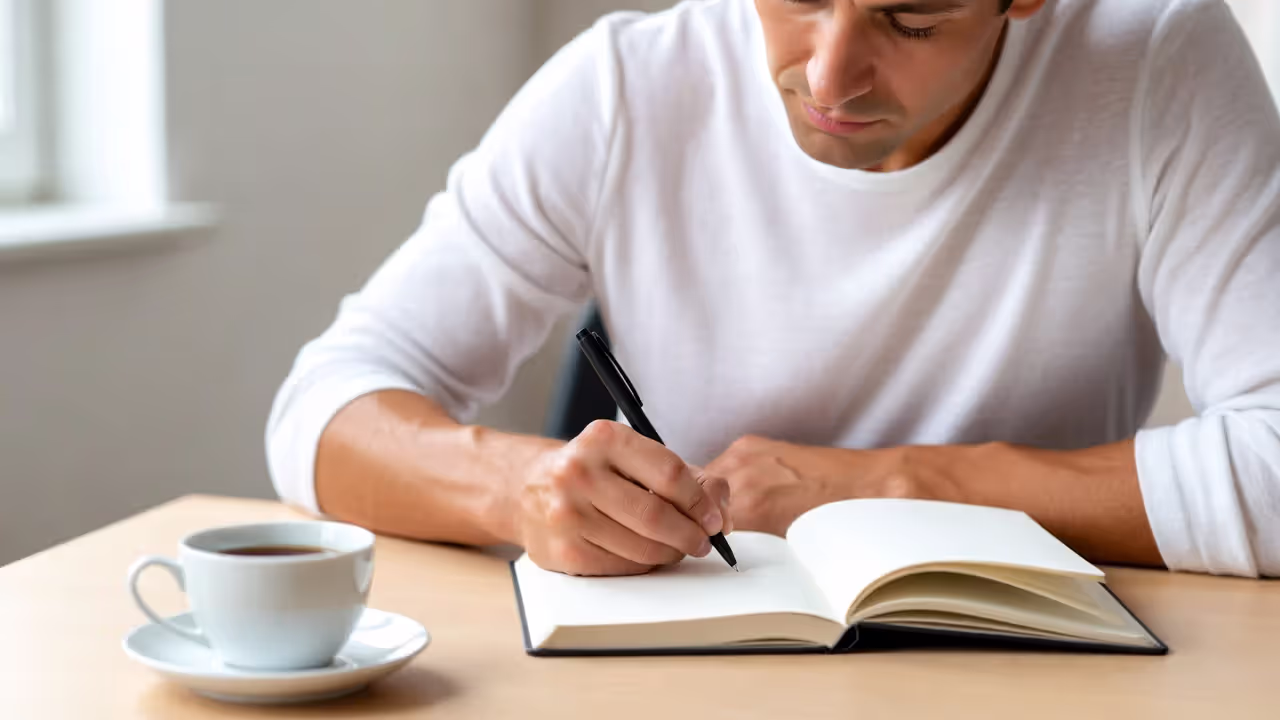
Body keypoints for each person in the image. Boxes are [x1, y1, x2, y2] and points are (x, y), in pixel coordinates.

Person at [267, 0, 1280, 578]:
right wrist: (519, 489)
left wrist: (884, 486)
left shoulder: (1156, 64)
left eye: (911, 18)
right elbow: (319, 414)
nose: (830, 77)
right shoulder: (627, 87)